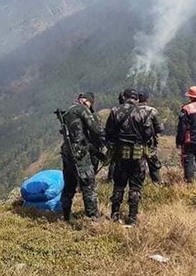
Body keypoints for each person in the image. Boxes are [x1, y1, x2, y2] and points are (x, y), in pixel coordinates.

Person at [106, 88, 153, 225]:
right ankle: (132, 218)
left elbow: (109, 132)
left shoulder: (115, 111)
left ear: (124, 97)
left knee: (119, 185)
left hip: (120, 153)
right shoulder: (144, 112)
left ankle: (114, 215)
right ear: (137, 99)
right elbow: (149, 133)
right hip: (138, 154)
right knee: (135, 187)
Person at [60, 92, 105, 221]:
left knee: (69, 184)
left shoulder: (68, 111)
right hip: (79, 152)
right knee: (88, 184)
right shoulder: (81, 109)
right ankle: (93, 217)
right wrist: (108, 136)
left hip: (67, 150)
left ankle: (67, 215)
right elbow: (95, 128)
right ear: (87, 101)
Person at [138, 90, 164, 184]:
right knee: (154, 165)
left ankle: (139, 186)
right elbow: (160, 128)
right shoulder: (152, 111)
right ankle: (157, 184)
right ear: (147, 99)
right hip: (149, 143)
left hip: (135, 143)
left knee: (138, 165)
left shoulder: (132, 110)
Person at [106, 91, 126, 182]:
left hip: (116, 141)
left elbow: (108, 127)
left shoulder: (115, 110)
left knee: (114, 161)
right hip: (128, 141)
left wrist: (109, 140)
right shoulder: (135, 110)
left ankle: (110, 178)